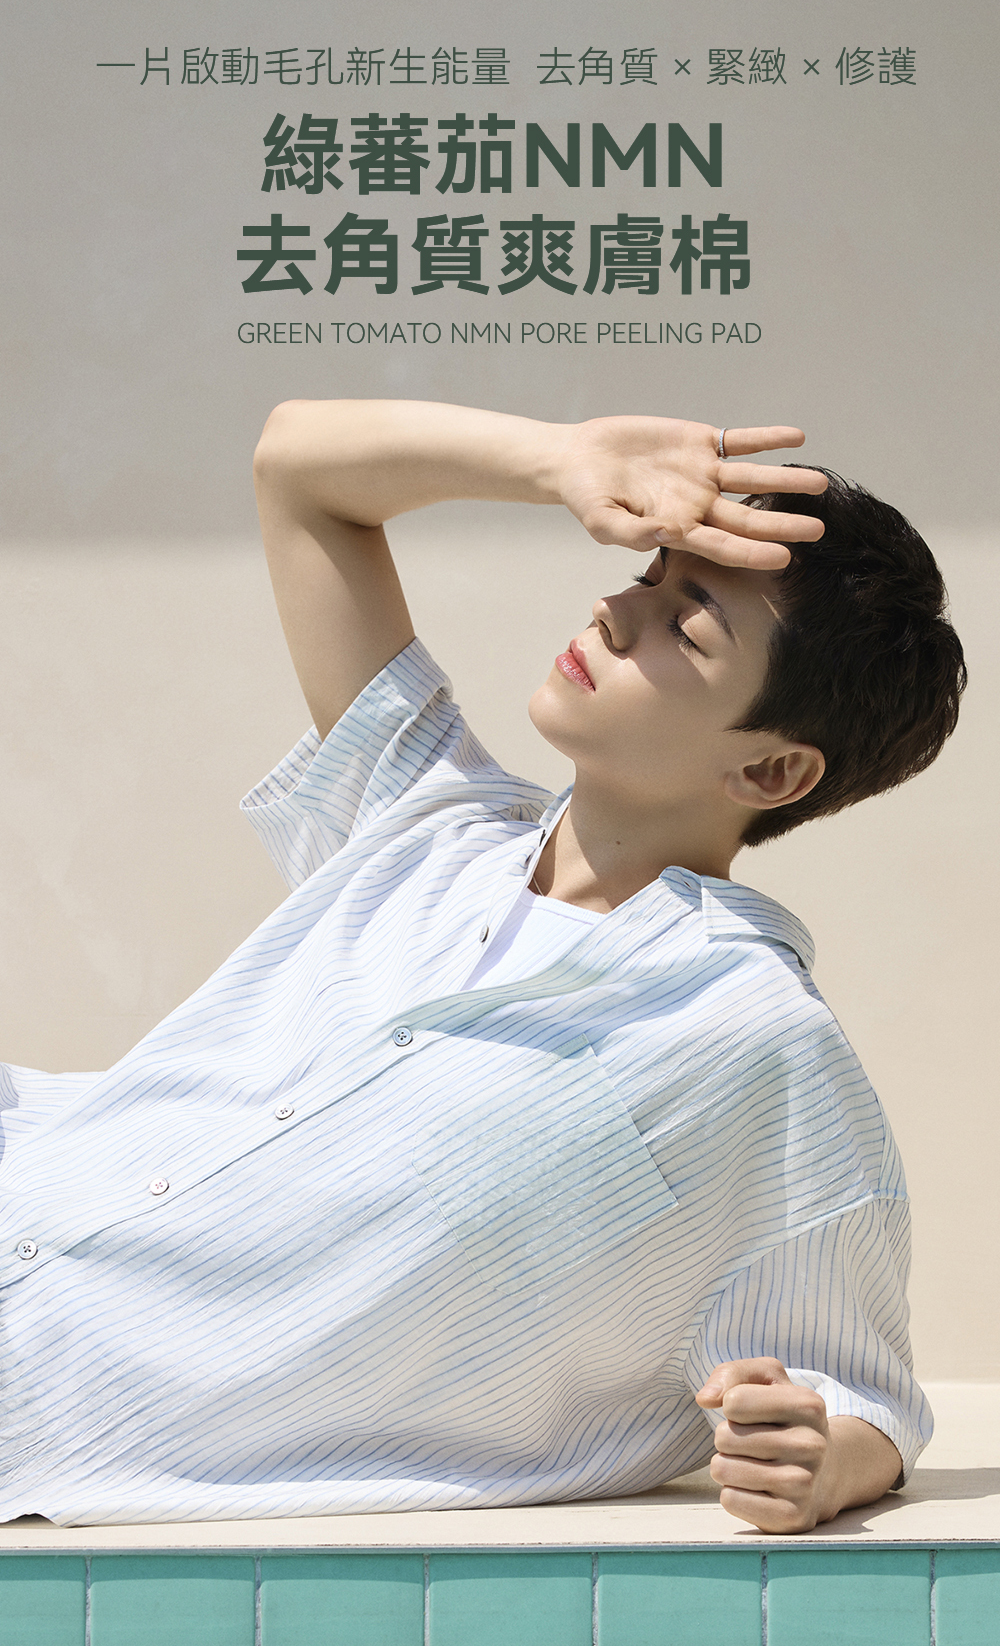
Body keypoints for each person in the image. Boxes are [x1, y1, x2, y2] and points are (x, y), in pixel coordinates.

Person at [0, 402, 965, 1534]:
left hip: (57, 1427)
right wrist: (559, 459)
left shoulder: (749, 1038)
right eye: (647, 575)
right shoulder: (428, 817)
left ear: (772, 772)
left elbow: (860, 1391)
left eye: (685, 626)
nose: (613, 610)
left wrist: (824, 1459)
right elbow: (300, 472)